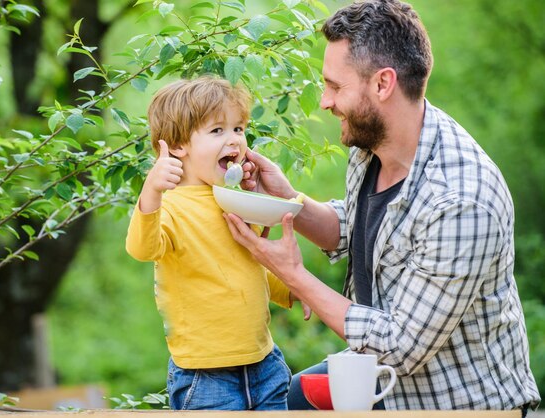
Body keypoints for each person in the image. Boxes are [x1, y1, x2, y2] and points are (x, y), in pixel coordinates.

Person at [223, 0, 541, 414]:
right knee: (273, 401)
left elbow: (399, 346)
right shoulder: (374, 145)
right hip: (385, 385)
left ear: (383, 84)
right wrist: (284, 202)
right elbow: (356, 230)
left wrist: (292, 274)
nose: (324, 101)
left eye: (335, 86)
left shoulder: (462, 200)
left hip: (457, 405)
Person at [125, 76, 309, 411]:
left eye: (239, 129)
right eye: (217, 131)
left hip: (264, 363)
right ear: (179, 145)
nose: (235, 140)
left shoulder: (235, 200)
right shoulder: (171, 206)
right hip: (205, 375)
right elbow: (142, 248)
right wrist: (150, 191)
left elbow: (250, 264)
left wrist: (297, 286)